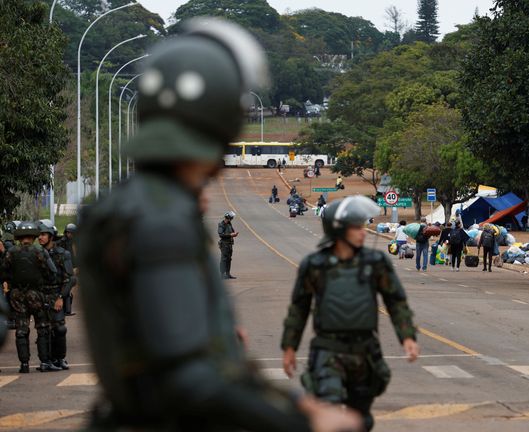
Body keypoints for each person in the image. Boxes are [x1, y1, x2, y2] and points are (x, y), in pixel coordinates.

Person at [77, 19, 360, 432]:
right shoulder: (161, 221)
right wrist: (301, 419)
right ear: (222, 118)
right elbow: (188, 380)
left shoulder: (130, 205)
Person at [281, 195, 420, 431]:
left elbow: (396, 301)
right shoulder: (315, 265)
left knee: (360, 419)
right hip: (328, 351)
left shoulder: (375, 262)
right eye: (356, 227)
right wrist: (289, 347)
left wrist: (407, 337)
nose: (363, 232)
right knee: (328, 415)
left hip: (364, 352)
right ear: (338, 229)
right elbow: (299, 307)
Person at [2, 221, 59, 373]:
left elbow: (3, 272)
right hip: (36, 295)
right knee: (42, 327)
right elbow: (51, 274)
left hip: (17, 296)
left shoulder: (11, 252)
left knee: (21, 329)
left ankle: (24, 364)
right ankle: (45, 362)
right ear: (33, 236)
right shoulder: (40, 252)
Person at [37, 220, 74, 370]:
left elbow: (70, 279)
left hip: (56, 294)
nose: (40, 237)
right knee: (43, 330)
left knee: (59, 329)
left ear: (51, 236)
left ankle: (59, 359)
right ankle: (46, 361)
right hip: (39, 295)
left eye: (43, 234)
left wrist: (60, 297)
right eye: (39, 235)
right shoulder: (35, 254)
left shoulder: (62, 254)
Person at [57, 223, 77, 316]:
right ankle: (66, 311)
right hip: (63, 268)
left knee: (68, 290)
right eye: (68, 232)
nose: (70, 235)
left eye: (71, 233)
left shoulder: (73, 242)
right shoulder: (62, 242)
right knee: (66, 289)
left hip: (70, 267)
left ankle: (67, 310)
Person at [218, 211, 239, 279]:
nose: (231, 219)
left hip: (229, 244)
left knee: (229, 259)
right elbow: (221, 234)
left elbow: (232, 231)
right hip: (224, 244)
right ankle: (222, 274)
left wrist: (234, 234)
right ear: (228, 217)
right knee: (224, 259)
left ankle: (228, 274)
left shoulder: (229, 224)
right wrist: (230, 235)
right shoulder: (222, 224)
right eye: (231, 218)